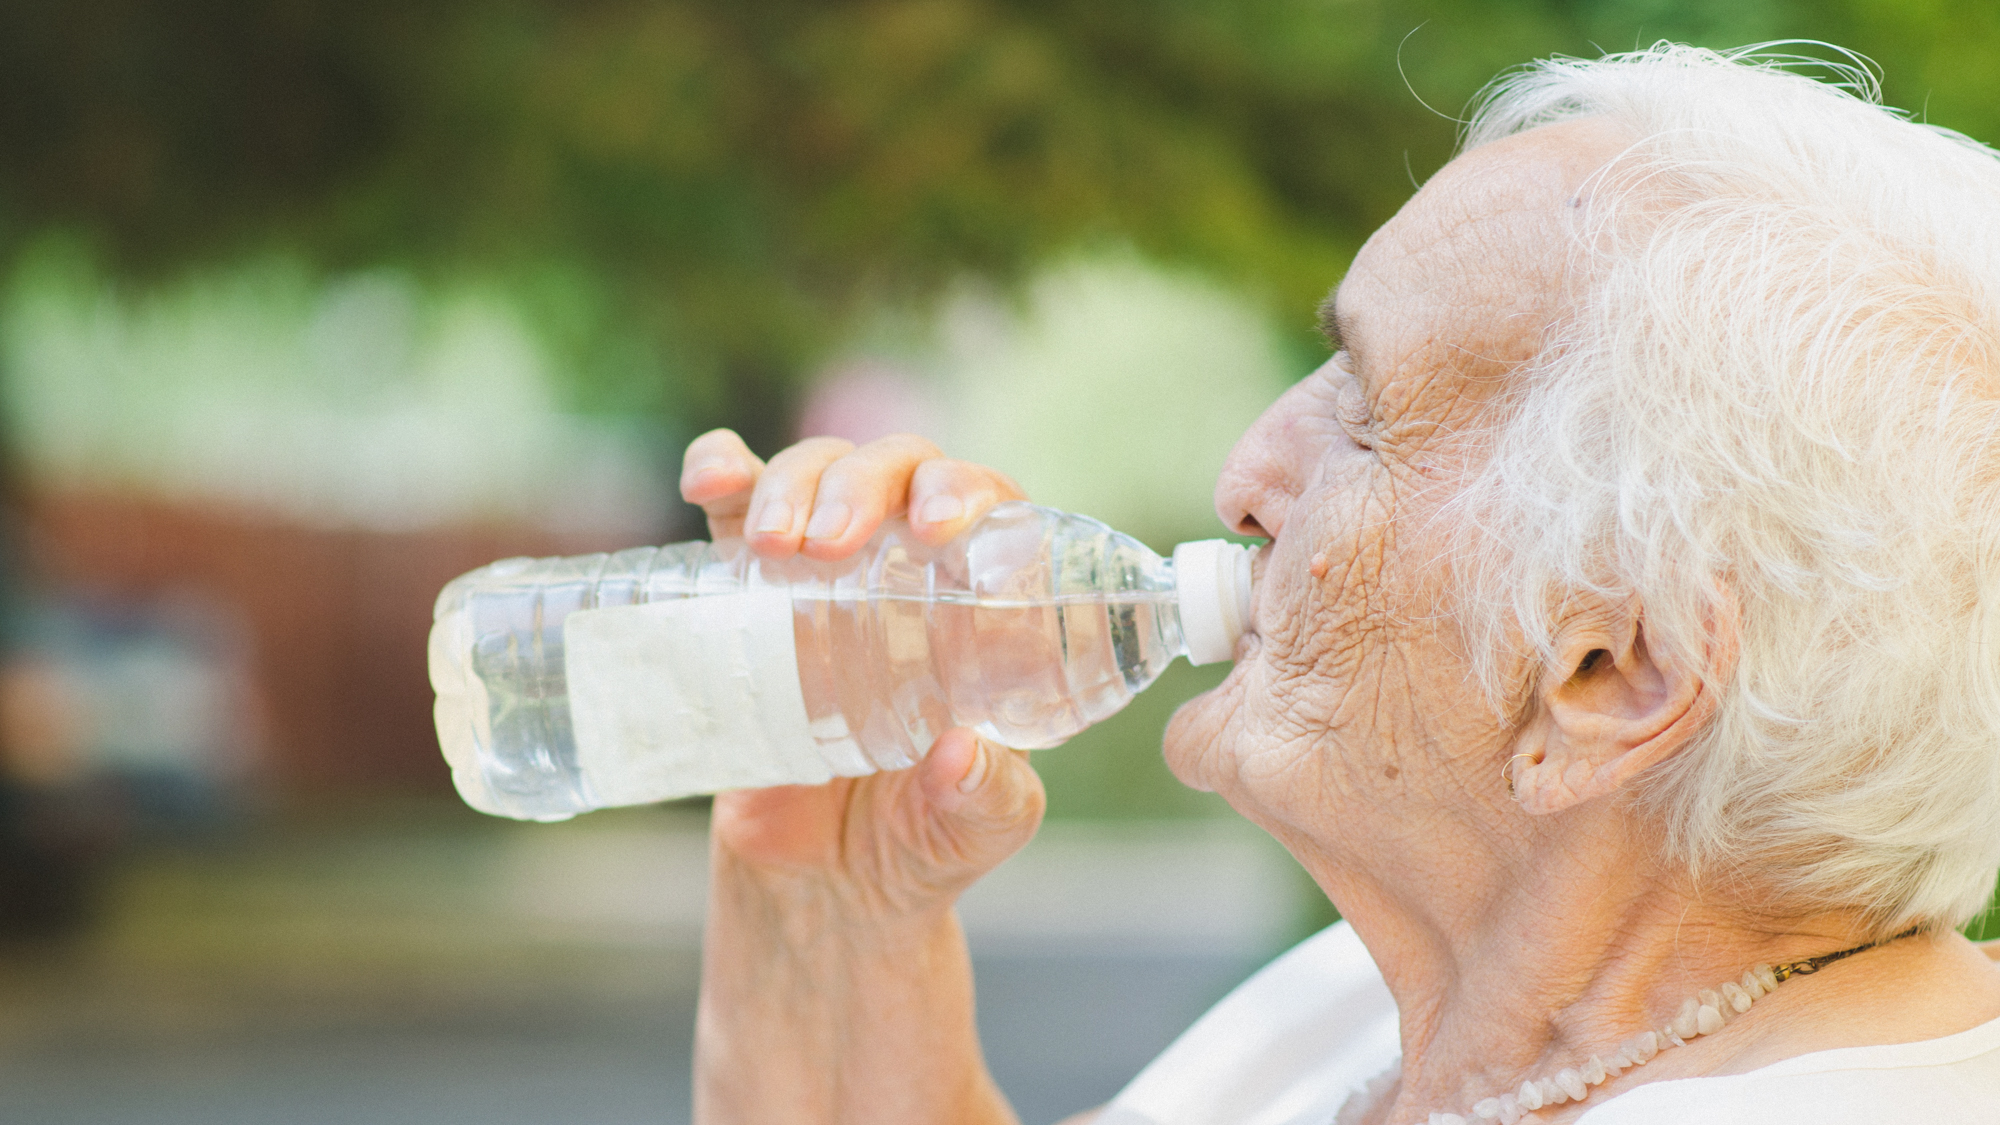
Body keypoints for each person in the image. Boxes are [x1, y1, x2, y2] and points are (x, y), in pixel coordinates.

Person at [677, 44, 2000, 1124]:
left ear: (1611, 674)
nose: (1246, 472)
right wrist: (831, 905)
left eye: (1367, 416)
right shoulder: (1421, 1005)